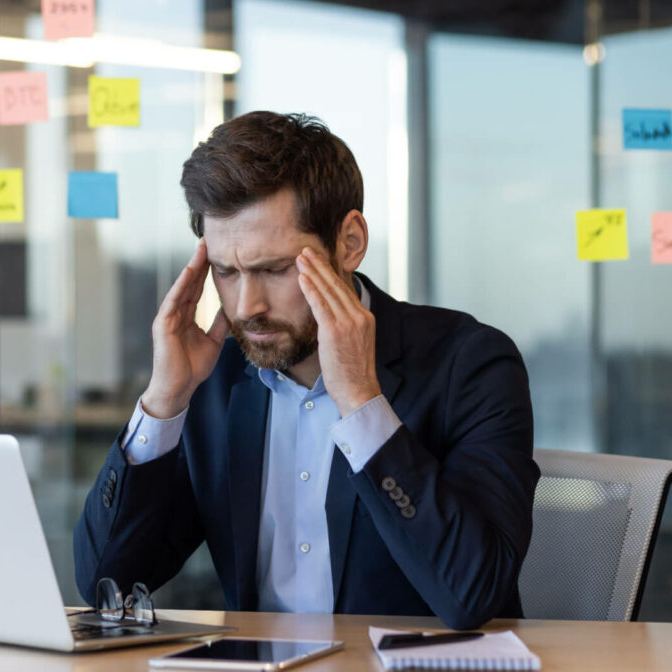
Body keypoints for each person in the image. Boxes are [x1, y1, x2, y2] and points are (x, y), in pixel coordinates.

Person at [73, 111, 539, 630]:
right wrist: (163, 402)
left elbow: (473, 594)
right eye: (226, 273)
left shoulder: (470, 364)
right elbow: (103, 581)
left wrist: (363, 403)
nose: (246, 306)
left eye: (274, 270)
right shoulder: (213, 379)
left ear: (350, 243)